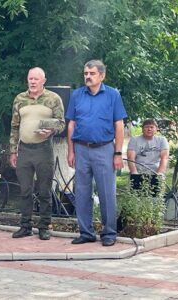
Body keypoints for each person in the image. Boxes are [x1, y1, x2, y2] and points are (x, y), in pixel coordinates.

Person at [66, 60, 127, 247]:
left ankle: (109, 233)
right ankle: (86, 232)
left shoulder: (113, 95)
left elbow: (119, 125)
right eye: (85, 73)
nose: (88, 77)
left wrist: (117, 153)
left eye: (92, 73)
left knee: (107, 192)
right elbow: (71, 124)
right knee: (82, 192)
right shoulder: (77, 95)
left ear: (102, 75)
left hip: (104, 149)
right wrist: (71, 151)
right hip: (81, 149)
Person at [8, 67, 65, 241]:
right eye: (30, 79)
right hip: (24, 149)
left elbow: (62, 123)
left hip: (43, 149)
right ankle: (25, 226)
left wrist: (51, 131)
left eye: (36, 79)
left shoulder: (53, 99)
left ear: (43, 81)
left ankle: (44, 226)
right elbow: (15, 126)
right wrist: (13, 150)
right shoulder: (20, 99)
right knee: (25, 190)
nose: (32, 82)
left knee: (44, 191)